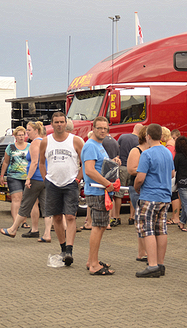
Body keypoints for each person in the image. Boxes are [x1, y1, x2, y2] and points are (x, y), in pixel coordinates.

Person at [39, 112, 84, 266]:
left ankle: (70, 251)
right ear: (52, 124)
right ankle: (63, 248)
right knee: (57, 217)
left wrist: (78, 179)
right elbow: (41, 162)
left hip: (70, 182)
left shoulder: (76, 141)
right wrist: (46, 179)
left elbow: (85, 162)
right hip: (52, 183)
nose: (59, 125)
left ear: (66, 123)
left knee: (70, 217)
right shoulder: (46, 141)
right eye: (56, 122)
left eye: (62, 122)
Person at [134, 124, 175, 278]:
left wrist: (136, 187)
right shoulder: (167, 152)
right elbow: (172, 174)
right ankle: (160, 263)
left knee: (147, 229)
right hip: (165, 196)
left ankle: (152, 265)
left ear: (148, 136)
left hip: (150, 195)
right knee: (161, 229)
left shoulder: (146, 154)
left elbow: (140, 177)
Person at [0, 121, 52, 242]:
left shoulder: (34, 143)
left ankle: (13, 229)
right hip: (45, 178)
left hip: (36, 178)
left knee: (25, 204)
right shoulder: (46, 142)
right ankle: (47, 234)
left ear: (36, 131)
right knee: (46, 207)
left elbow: (34, 162)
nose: (27, 133)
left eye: (28, 130)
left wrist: (28, 178)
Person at [82, 117, 116, 275]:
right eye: (99, 128)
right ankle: (94, 265)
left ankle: (92, 260)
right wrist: (107, 184)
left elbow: (99, 166)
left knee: (101, 226)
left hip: (101, 191)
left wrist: (113, 162)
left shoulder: (99, 146)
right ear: (93, 128)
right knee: (97, 227)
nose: (103, 131)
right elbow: (89, 170)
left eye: (105, 128)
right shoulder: (90, 146)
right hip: (97, 191)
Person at [0, 126, 32, 236]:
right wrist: (2, 175)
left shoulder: (30, 146)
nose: (21, 137)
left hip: (27, 177)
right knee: (16, 199)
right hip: (13, 176)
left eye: (23, 135)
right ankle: (15, 223)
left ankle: (24, 220)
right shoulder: (11, 147)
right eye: (19, 135)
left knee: (25, 199)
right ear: (15, 136)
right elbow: (5, 162)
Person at [127, 125, 149, 261]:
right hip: (137, 187)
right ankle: (142, 252)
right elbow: (131, 169)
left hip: (148, 187)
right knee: (141, 219)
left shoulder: (152, 150)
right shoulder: (136, 151)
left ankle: (146, 250)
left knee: (146, 220)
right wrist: (146, 171)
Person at [117, 124, 142, 225]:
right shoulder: (139, 142)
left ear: (134, 129)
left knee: (119, 194)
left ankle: (116, 217)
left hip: (122, 167)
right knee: (133, 192)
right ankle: (132, 217)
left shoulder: (123, 137)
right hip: (134, 169)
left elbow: (117, 149)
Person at [102, 133, 121, 227]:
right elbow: (117, 156)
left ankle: (106, 221)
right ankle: (110, 219)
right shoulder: (114, 141)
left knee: (104, 195)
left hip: (104, 170)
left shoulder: (101, 141)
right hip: (113, 170)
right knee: (111, 196)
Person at [162, 126, 180, 225]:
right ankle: (175, 216)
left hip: (171, 173)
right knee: (174, 194)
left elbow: (169, 162)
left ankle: (175, 217)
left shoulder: (169, 147)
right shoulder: (174, 145)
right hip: (176, 172)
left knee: (173, 195)